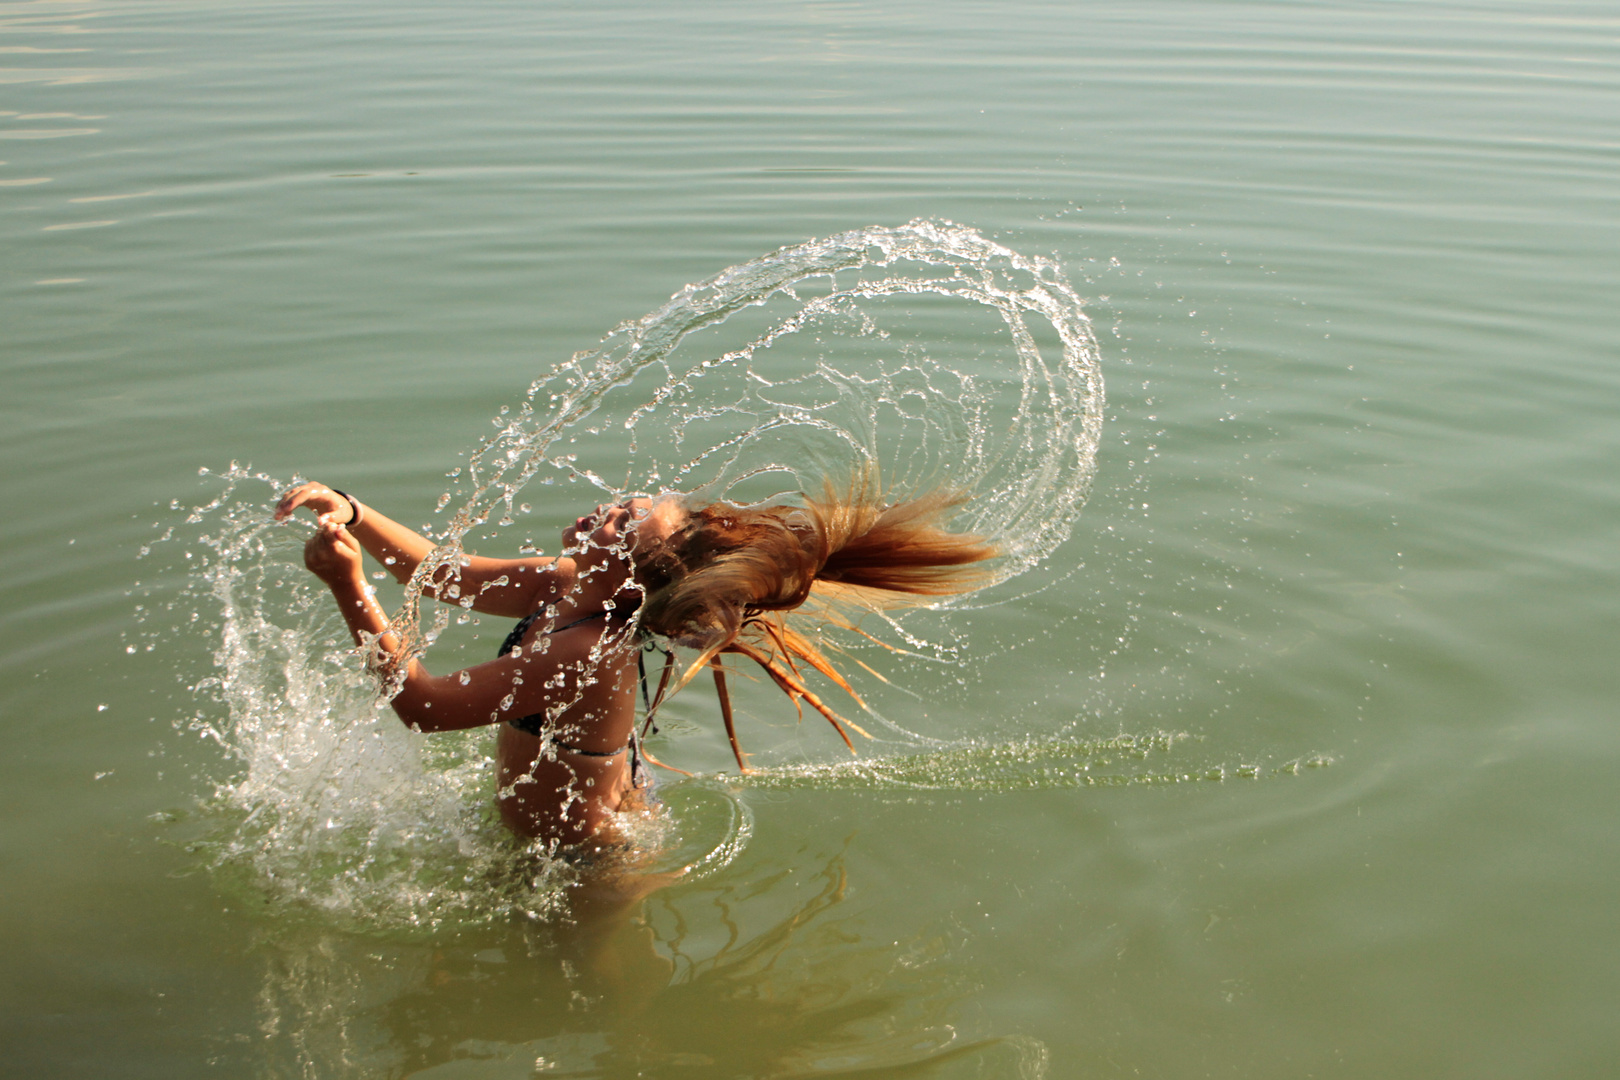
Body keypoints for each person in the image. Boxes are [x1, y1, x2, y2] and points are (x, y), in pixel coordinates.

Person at [275, 475, 997, 852]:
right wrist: (353, 510)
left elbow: (424, 708)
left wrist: (348, 588)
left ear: (629, 581)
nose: (606, 509)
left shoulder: (587, 652)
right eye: (628, 504)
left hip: (588, 865)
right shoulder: (563, 580)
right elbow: (442, 574)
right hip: (555, 839)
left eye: (622, 523)